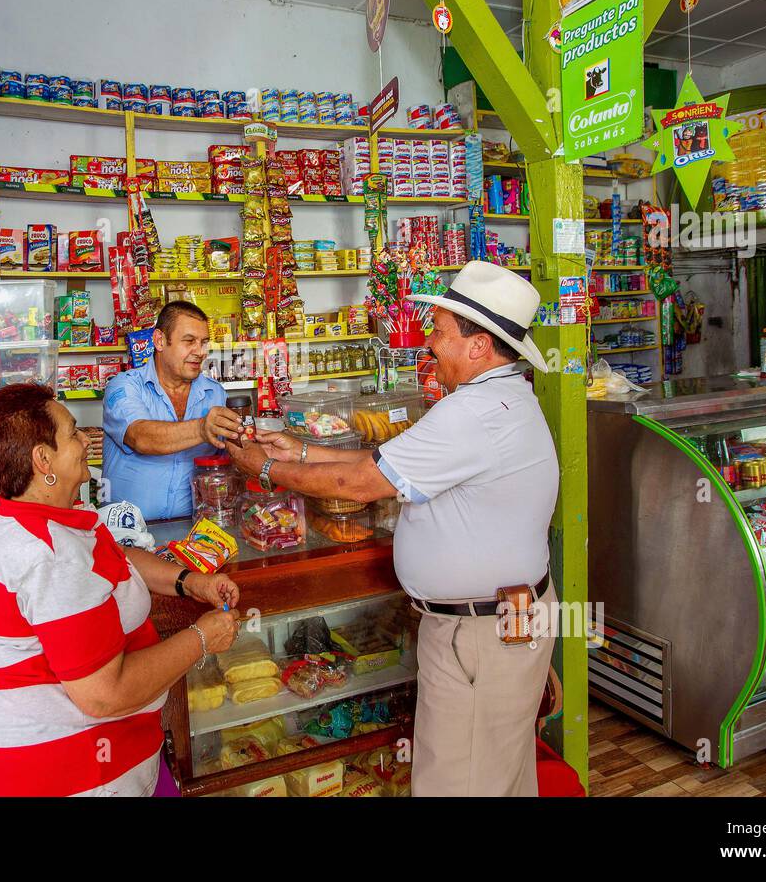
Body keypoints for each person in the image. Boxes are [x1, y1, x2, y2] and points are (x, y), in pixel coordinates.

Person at [226, 262, 560, 796]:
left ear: (478, 348)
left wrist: (263, 469)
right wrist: (303, 449)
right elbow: (392, 463)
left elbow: (361, 484)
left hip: (478, 634)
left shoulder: (471, 414)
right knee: (503, 773)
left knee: (459, 782)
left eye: (440, 331)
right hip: (506, 621)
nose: (428, 343)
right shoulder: (506, 399)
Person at [0, 383, 241, 797]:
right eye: (73, 433)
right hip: (71, 774)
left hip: (121, 761)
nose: (85, 440)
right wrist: (202, 638)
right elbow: (105, 695)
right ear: (43, 459)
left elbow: (118, 557)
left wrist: (190, 581)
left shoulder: (58, 515)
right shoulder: (48, 554)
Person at [102, 300, 243, 520]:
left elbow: (226, 460)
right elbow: (140, 436)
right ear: (159, 340)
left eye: (204, 342)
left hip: (194, 530)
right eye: (189, 341)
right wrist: (201, 428)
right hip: (127, 534)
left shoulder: (215, 393)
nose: (200, 352)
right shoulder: (124, 386)